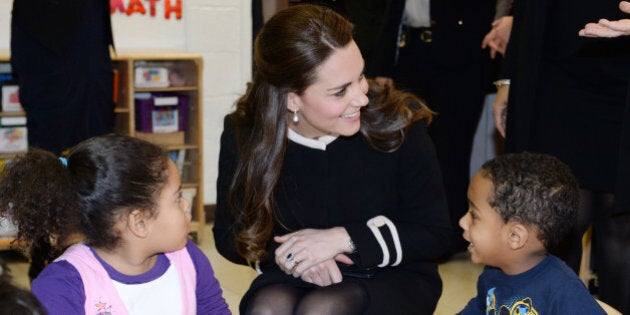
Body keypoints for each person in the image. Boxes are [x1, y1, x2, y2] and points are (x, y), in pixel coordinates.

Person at [214, 4, 451, 314]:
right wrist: (296, 257)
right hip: (293, 269)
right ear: (291, 99)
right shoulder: (245, 131)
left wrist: (343, 239)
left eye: (361, 76)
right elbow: (229, 234)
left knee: (323, 310)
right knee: (267, 309)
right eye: (340, 91)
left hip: (391, 272)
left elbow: (435, 233)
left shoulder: (398, 121)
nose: (362, 98)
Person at [492, 0, 630, 312]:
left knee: (621, 227)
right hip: (554, 85)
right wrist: (509, 80)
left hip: (624, 90)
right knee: (554, 221)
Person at [0, 135, 230, 315]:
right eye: (177, 197)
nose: (186, 205)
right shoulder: (63, 285)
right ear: (138, 222)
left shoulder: (187, 258)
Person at [368, 0, 495, 255]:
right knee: (408, 149)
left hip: (461, 61)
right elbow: (395, 12)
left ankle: (447, 236)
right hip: (412, 55)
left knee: (451, 151)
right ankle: (412, 231)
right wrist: (383, 65)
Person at [10, 0, 116, 281]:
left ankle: (92, 245)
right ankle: (45, 250)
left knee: (93, 159)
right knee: (49, 162)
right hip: (47, 62)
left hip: (88, 63)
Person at [458, 152, 606, 314]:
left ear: (515, 236)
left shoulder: (564, 292)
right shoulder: (493, 272)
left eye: (474, 215)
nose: (462, 222)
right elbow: (478, 308)